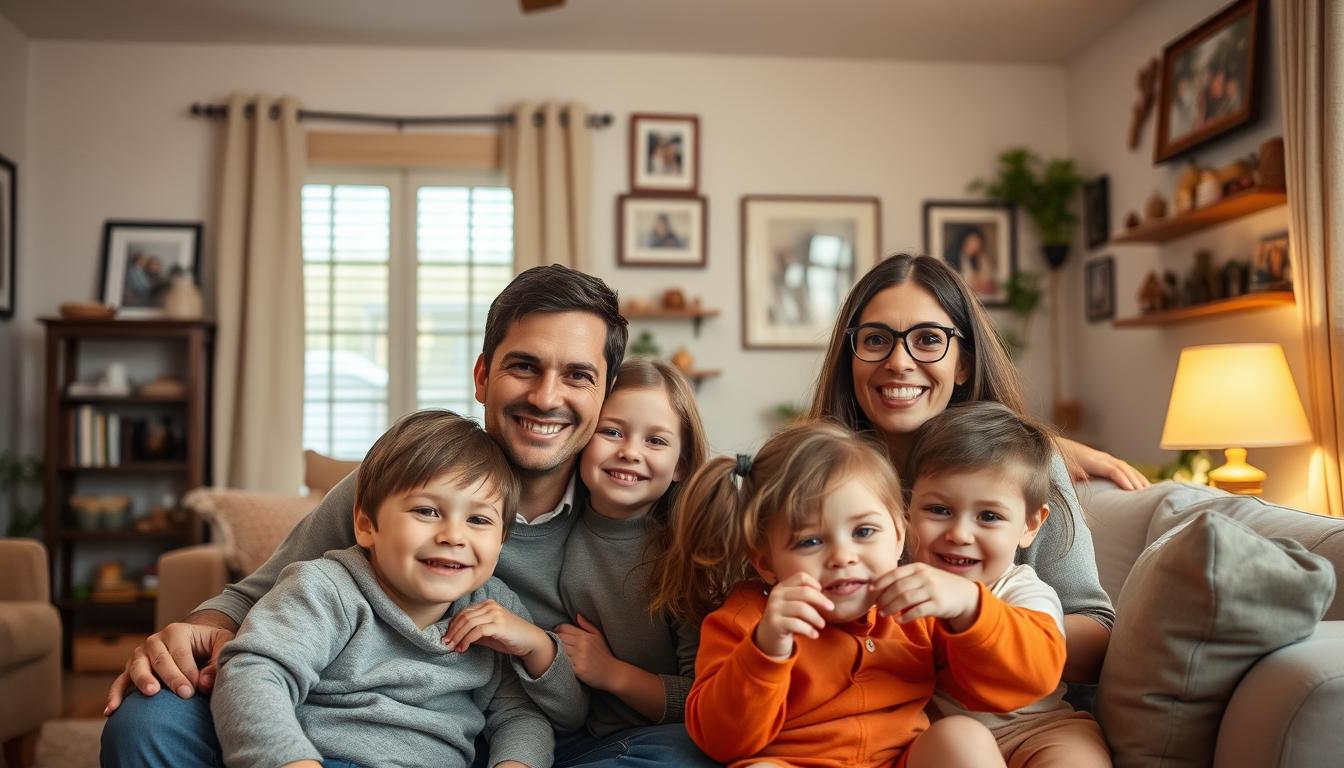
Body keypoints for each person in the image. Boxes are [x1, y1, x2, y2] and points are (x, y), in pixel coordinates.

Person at [102, 265, 706, 766]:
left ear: (602, 397)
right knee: (150, 718)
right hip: (356, 739)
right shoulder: (405, 479)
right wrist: (192, 630)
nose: (546, 397)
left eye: (577, 376)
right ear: (482, 375)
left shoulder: (650, 502)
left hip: (562, 742)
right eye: (524, 366)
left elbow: (704, 683)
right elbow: (256, 600)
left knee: (685, 752)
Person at [806, 253, 1147, 685]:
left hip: (1014, 721)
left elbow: (1095, 634)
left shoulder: (1024, 471)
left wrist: (973, 620)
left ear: (963, 362)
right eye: (875, 339)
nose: (898, 361)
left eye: (928, 339)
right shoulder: (816, 478)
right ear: (848, 357)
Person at [650, 421, 1066, 767]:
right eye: (810, 542)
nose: (843, 557)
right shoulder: (748, 621)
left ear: (900, 536)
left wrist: (971, 607)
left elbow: (1030, 680)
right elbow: (720, 741)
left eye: (864, 532)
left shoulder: (914, 607)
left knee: (962, 737)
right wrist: (766, 649)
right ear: (766, 563)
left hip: (902, 760)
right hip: (796, 763)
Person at [211, 410, 556, 768]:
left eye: (478, 519)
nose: (453, 536)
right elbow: (254, 671)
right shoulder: (326, 590)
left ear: (501, 541)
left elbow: (520, 716)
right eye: (426, 511)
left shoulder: (496, 610)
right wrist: (289, 761)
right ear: (366, 525)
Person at [906, 401, 1111, 767]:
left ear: (1030, 525)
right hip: (939, 737)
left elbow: (1037, 666)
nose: (959, 533)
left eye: (988, 516)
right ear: (907, 510)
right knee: (956, 742)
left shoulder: (1025, 592)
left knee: (1078, 759)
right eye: (938, 510)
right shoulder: (903, 588)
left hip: (1040, 728)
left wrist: (971, 607)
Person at [553, 358, 713, 765]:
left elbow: (703, 699)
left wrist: (610, 672)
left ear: (680, 464)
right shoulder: (553, 526)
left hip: (658, 739)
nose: (629, 452)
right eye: (611, 431)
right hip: (566, 735)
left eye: (655, 441)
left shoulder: (688, 554)